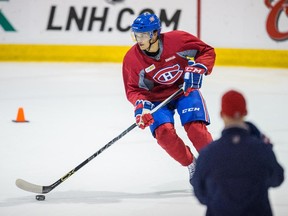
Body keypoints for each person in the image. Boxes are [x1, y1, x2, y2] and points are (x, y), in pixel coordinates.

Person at [122, 12, 216, 181]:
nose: (139, 39)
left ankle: (216, 166)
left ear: (155, 33)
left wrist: (199, 67)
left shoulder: (178, 40)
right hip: (155, 99)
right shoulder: (132, 59)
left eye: (143, 35)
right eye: (136, 35)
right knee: (164, 134)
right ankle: (191, 164)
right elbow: (133, 89)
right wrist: (141, 105)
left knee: (196, 130)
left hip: (184, 90)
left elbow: (206, 51)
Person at [191, 90, 284, 216]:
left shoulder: (208, 153)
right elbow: (277, 179)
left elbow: (200, 192)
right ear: (245, 112)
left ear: (221, 114)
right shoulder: (261, 149)